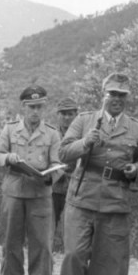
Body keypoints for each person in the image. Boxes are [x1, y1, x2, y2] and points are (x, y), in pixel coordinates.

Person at [56, 73, 138, 275]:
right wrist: (85, 143)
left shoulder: (136, 128)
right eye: (112, 93)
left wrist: (136, 169)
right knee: (74, 255)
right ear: (103, 94)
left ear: (127, 98)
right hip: (81, 197)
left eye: (122, 95)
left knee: (108, 259)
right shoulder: (84, 120)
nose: (117, 99)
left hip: (115, 200)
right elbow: (63, 152)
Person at [0, 85, 64, 275]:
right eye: (32, 107)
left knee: (41, 239)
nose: (36, 111)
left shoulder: (52, 133)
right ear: (23, 107)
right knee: (11, 238)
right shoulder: (10, 129)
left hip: (40, 191)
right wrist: (8, 159)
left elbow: (58, 163)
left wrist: (51, 175)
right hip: (14, 189)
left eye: (39, 107)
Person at [51, 97, 78, 246]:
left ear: (76, 115)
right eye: (63, 114)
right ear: (58, 115)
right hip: (53, 188)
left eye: (70, 114)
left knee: (72, 230)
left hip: (74, 189)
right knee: (48, 227)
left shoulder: (82, 135)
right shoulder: (51, 134)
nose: (67, 117)